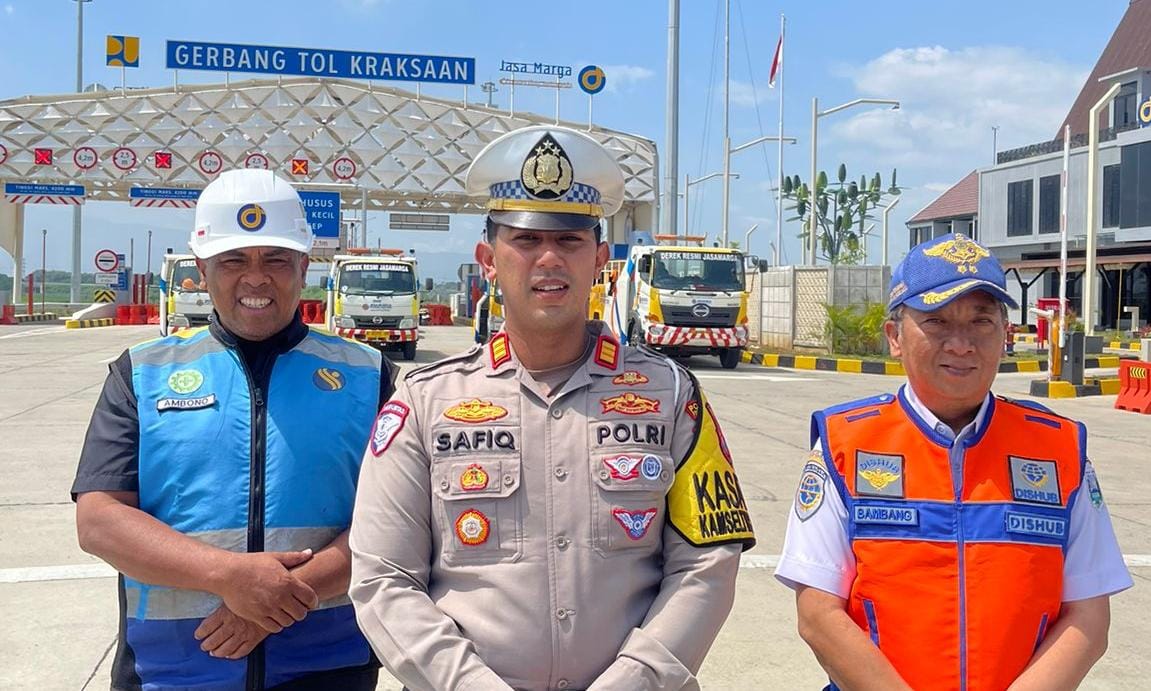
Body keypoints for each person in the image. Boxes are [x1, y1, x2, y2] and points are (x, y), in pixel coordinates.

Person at [349, 125, 756, 691]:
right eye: (526, 240)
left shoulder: (672, 394)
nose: (549, 259)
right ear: (488, 259)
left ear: (600, 259)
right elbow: (383, 578)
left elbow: (707, 563)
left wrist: (635, 680)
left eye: (569, 241)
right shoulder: (424, 401)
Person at [73, 169, 396, 690]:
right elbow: (99, 520)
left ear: (304, 266)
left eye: (276, 259)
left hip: (327, 668)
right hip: (170, 672)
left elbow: (399, 519)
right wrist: (227, 576)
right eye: (233, 260)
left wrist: (278, 598)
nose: (256, 278)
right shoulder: (141, 374)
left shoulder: (368, 376)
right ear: (202, 269)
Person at [775, 234, 1133, 690]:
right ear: (895, 337)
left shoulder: (1058, 449)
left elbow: (1088, 617)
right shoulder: (844, 444)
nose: (961, 344)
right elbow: (818, 614)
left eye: (981, 321)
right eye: (937, 321)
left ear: (1005, 335)